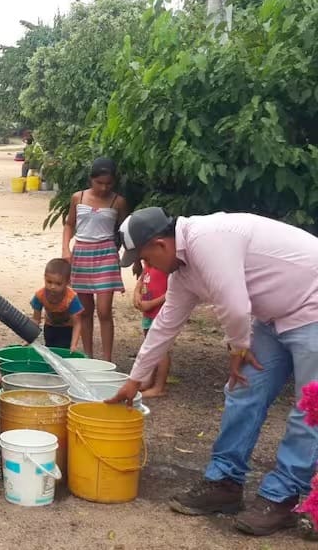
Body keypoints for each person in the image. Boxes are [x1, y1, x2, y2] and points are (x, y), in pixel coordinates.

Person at [108, 207, 318, 537]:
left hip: (312, 307)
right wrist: (134, 381)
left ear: (161, 244)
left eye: (146, 258)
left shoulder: (208, 238)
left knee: (309, 410)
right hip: (272, 318)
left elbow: (234, 304)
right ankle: (225, 482)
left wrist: (238, 346)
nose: (148, 266)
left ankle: (282, 498)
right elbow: (164, 326)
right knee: (243, 390)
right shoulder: (183, 272)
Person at [61, 158, 129, 361]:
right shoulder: (78, 197)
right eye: (99, 183)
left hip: (106, 254)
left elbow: (126, 230)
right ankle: (89, 356)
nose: (104, 187)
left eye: (109, 183)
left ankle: (107, 359)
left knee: (104, 310)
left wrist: (134, 259)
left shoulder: (118, 201)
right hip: (81, 253)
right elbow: (69, 224)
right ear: (91, 179)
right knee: (85, 311)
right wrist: (65, 248)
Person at [132, 261, 170, 398]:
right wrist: (136, 294)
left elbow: (171, 292)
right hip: (148, 314)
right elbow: (140, 282)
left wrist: (151, 304)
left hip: (160, 314)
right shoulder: (148, 265)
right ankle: (149, 379)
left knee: (161, 350)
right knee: (150, 346)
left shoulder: (166, 266)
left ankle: (159, 386)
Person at [29, 258, 84, 350]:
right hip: (49, 327)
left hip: (67, 329)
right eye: (49, 282)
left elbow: (77, 323)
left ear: (67, 282)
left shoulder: (71, 298)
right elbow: (36, 319)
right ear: (44, 278)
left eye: (58, 284)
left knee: (63, 351)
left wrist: (73, 344)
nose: (52, 287)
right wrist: (29, 338)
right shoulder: (40, 295)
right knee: (50, 349)